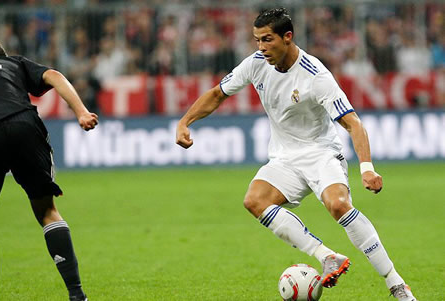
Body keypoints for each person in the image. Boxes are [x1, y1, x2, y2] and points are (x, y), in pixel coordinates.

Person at [176, 8, 417, 301]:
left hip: (320, 153)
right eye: (257, 40)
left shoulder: (316, 76)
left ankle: (397, 285)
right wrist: (185, 121)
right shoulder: (255, 64)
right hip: (284, 158)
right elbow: (217, 94)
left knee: (339, 205)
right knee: (254, 200)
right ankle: (327, 255)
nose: (261, 48)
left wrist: (367, 167)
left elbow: (352, 122)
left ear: (287, 37)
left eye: (267, 40)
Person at [0, 39, 98, 301]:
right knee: (46, 209)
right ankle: (77, 296)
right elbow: (53, 75)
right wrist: (81, 111)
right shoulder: (12, 62)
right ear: (0, 56)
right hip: (23, 124)